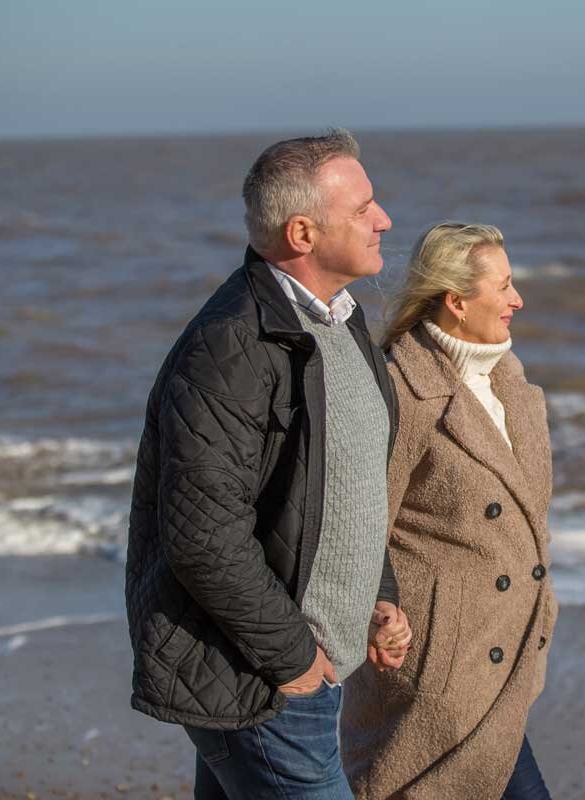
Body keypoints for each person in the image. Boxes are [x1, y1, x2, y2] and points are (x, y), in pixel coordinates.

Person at [124, 129, 412, 800]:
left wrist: (378, 597)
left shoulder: (341, 323)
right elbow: (202, 538)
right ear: (304, 233)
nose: (384, 219)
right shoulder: (230, 347)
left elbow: (345, 488)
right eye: (364, 207)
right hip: (258, 679)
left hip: (299, 673)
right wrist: (296, 662)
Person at [341, 222, 558, 799]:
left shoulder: (509, 384)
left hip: (503, 643)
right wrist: (377, 610)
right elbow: (361, 522)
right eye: (504, 286)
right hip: (438, 660)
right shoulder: (401, 390)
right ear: (457, 302)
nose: (518, 300)